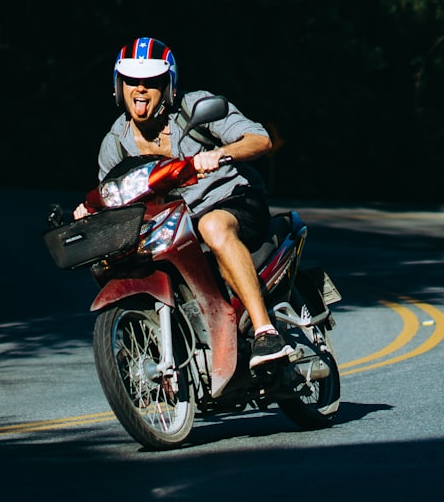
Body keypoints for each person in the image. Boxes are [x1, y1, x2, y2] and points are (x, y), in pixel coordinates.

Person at [74, 36, 292, 368]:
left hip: (232, 202)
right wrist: (89, 210)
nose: (141, 89)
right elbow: (111, 196)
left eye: (151, 82)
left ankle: (265, 332)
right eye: (132, 81)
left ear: (169, 85)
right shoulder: (115, 143)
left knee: (212, 225)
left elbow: (259, 139)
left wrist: (220, 154)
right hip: (172, 228)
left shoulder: (195, 107)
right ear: (119, 87)